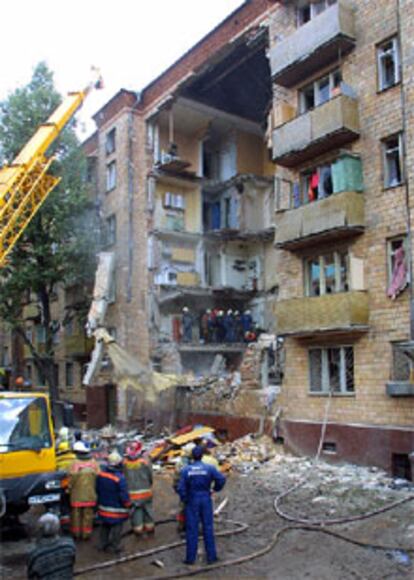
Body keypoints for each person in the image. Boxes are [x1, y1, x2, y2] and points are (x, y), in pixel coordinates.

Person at [177, 445, 226, 566]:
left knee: (192, 529)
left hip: (192, 499)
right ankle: (211, 557)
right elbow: (221, 479)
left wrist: (185, 499)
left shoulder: (186, 470)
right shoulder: (209, 468)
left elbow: (181, 488)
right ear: (202, 455)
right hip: (205, 498)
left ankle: (190, 559)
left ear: (192, 456)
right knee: (208, 528)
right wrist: (215, 488)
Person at [96, 451, 131, 554]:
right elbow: (123, 495)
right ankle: (115, 546)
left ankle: (102, 544)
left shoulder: (101, 475)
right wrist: (128, 504)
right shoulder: (120, 478)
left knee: (105, 526)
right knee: (117, 528)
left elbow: (97, 489)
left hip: (103, 507)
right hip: (116, 510)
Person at [27, 513, 76, 580]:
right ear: (58, 527)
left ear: (40, 530)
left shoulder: (34, 554)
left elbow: (31, 576)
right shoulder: (69, 545)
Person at [68, 441, 99, 540]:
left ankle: (76, 534)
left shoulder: (74, 464)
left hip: (76, 495)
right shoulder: (94, 463)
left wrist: (68, 489)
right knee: (88, 515)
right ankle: (86, 534)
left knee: (76, 515)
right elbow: (99, 476)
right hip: (90, 494)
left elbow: (70, 479)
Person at [124, 441, 155, 536]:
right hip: (146, 493)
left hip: (132, 495)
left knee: (136, 512)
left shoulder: (124, 463)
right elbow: (150, 477)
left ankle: (138, 530)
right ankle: (150, 528)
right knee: (148, 511)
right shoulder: (145, 461)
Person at [172, 443, 195, 534]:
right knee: (186, 507)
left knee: (183, 507)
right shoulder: (186, 463)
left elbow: (176, 478)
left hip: (183, 488)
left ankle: (183, 526)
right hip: (188, 489)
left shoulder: (181, 462)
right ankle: (184, 526)